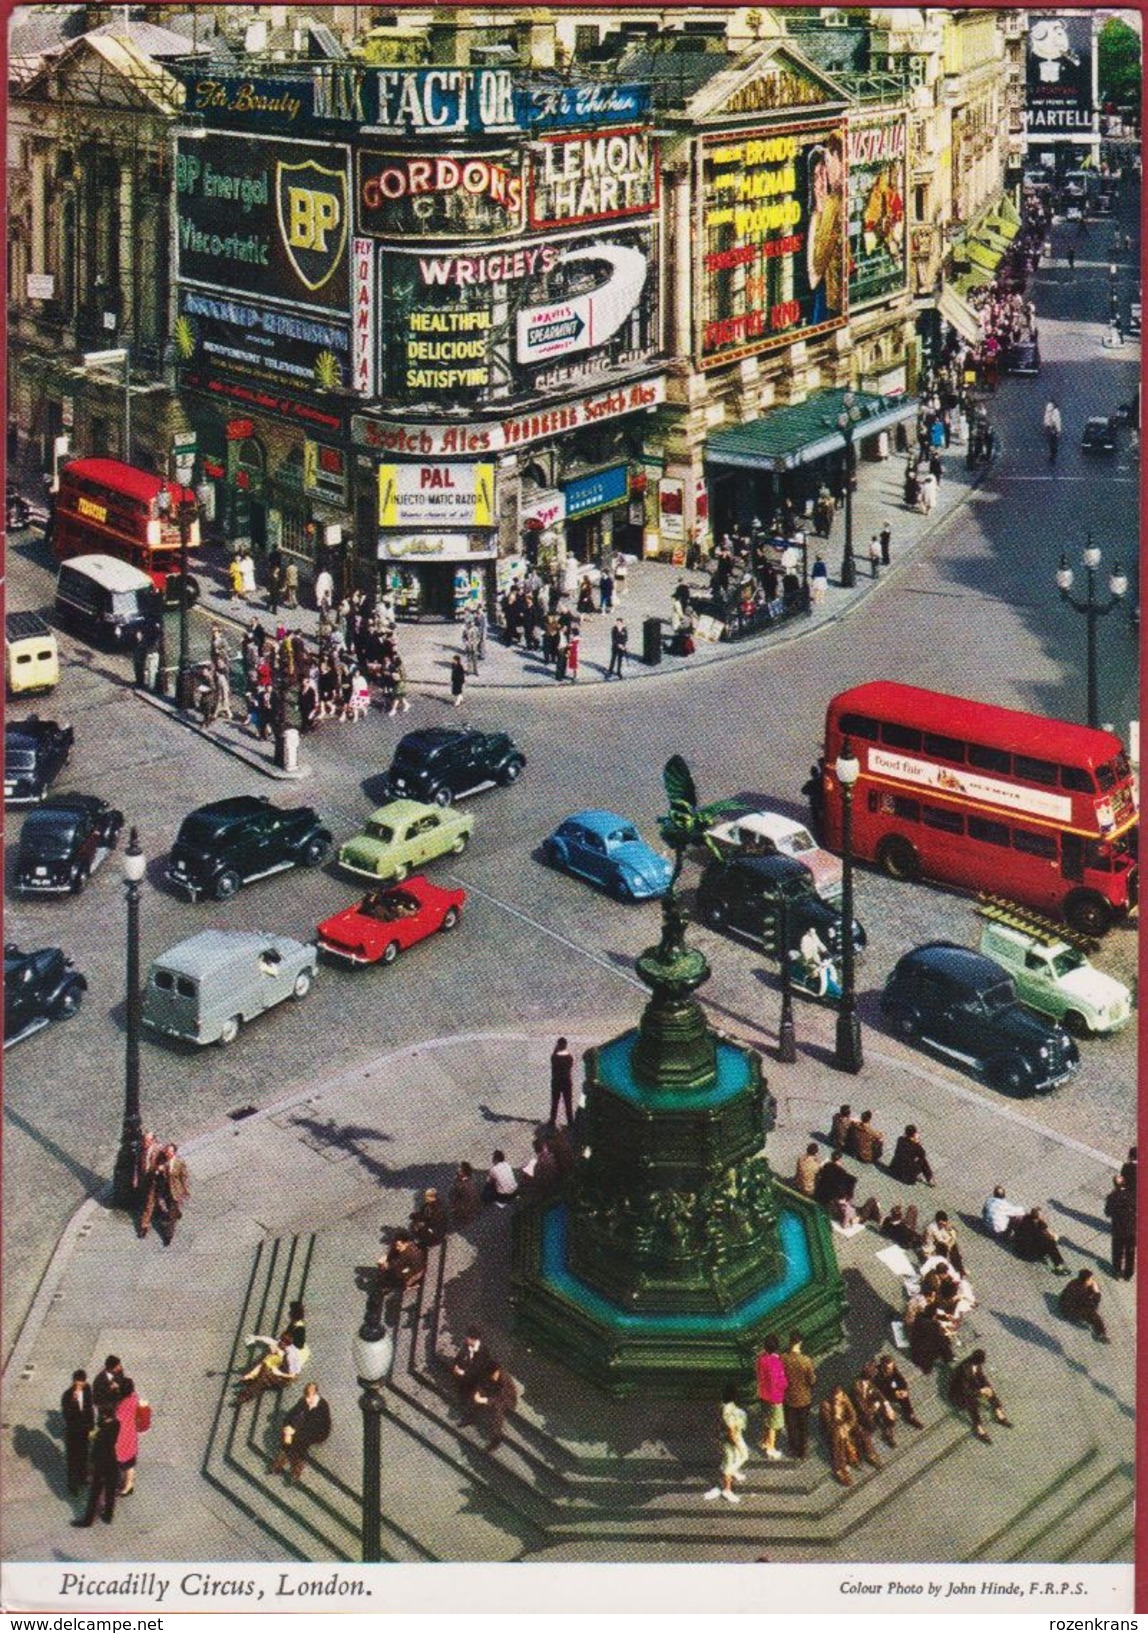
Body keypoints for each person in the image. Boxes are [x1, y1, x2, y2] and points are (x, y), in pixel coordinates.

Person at [271, 1382, 331, 1483]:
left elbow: (318, 1425)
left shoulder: (322, 1405)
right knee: (289, 1437)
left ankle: (295, 1465)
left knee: (300, 1441)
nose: (308, 1397)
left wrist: (296, 1431)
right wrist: (287, 1427)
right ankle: (284, 1460)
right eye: (307, 1394)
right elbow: (290, 1415)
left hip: (317, 1431)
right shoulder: (303, 1401)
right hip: (302, 1429)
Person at [948, 1349, 1012, 1442]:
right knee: (971, 1402)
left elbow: (981, 1377)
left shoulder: (975, 1364)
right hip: (959, 1393)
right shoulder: (964, 1370)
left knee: (988, 1389)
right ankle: (978, 1426)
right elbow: (964, 1390)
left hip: (970, 1385)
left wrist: (987, 1387)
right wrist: (980, 1391)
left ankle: (998, 1411)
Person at [73, 1408, 120, 1527]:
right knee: (110, 1492)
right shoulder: (116, 1424)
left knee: (94, 1494)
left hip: (101, 1465)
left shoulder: (102, 1434)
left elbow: (96, 1450)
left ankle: (87, 1521)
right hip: (112, 1463)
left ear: (104, 1416)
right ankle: (108, 1516)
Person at [704, 1385, 749, 1503]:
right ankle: (726, 1490)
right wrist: (738, 1445)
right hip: (731, 1440)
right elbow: (732, 1431)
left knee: (736, 1458)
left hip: (727, 1438)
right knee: (734, 1460)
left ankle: (731, 1473)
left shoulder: (723, 1407)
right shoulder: (730, 1411)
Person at [235, 1330, 304, 1403]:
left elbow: (293, 1375)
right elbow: (270, 1341)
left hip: (285, 1376)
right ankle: (251, 1379)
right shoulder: (281, 1344)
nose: (281, 1342)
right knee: (267, 1360)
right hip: (277, 1367)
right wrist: (256, 1338)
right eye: (281, 1339)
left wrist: (279, 1373)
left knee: (263, 1377)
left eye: (284, 1342)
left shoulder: (291, 1355)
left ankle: (245, 1395)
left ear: (289, 1344)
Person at [819, 1384, 864, 1487]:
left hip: (844, 1426)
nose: (838, 1400)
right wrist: (836, 1415)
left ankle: (855, 1457)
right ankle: (839, 1467)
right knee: (837, 1436)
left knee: (860, 1431)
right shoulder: (825, 1405)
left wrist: (846, 1427)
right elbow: (828, 1424)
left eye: (839, 1397)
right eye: (835, 1398)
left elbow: (853, 1416)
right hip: (831, 1430)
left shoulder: (845, 1399)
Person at [781, 1332, 816, 1460]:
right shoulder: (806, 1360)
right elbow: (812, 1380)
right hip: (804, 1398)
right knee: (803, 1425)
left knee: (791, 1424)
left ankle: (794, 1448)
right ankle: (803, 1451)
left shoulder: (783, 1358)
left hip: (788, 1397)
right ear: (800, 1343)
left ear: (790, 1342)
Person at [472, 1361, 518, 1453]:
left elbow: (501, 1398)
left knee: (497, 1409)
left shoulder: (504, 1379)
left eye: (493, 1374)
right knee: (479, 1392)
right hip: (494, 1393)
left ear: (497, 1371)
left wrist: (485, 1400)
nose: (491, 1376)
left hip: (506, 1400)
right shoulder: (490, 1375)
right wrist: (477, 1392)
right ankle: (472, 1415)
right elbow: (482, 1382)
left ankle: (497, 1438)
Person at [61, 1369, 94, 1494]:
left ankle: (82, 1477)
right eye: (78, 1383)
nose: (80, 1386)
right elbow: (67, 1415)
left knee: (84, 1455)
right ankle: (72, 1484)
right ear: (74, 1381)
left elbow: (89, 1407)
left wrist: (91, 1425)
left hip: (85, 1429)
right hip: (73, 1432)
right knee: (73, 1459)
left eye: (82, 1383)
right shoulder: (67, 1395)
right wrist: (74, 1402)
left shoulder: (87, 1389)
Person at [149, 1143, 190, 1246]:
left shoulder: (179, 1163)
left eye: (170, 1152)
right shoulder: (162, 1162)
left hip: (175, 1191)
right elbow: (154, 1171)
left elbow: (183, 1177)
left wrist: (185, 1190)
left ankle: (168, 1236)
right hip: (165, 1190)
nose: (167, 1154)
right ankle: (177, 1212)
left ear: (174, 1153)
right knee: (169, 1206)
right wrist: (158, 1171)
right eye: (166, 1151)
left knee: (170, 1217)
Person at [851, 1361, 897, 1451]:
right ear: (867, 1373)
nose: (875, 1372)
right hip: (862, 1412)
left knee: (888, 1412)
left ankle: (888, 1432)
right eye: (873, 1371)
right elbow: (861, 1408)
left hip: (870, 1406)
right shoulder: (857, 1387)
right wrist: (874, 1408)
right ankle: (865, 1443)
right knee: (871, 1426)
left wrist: (886, 1404)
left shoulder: (869, 1382)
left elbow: (877, 1392)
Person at [755, 1333, 787, 1460]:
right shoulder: (776, 1362)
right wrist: (785, 1384)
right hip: (775, 1397)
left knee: (766, 1419)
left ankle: (764, 1441)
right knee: (774, 1424)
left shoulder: (761, 1358)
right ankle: (771, 1448)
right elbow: (780, 1381)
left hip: (763, 1393)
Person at [1010, 1206, 1069, 1272]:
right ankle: (1058, 1265)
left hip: (1019, 1249)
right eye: (1042, 1215)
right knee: (1051, 1244)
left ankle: (1058, 1262)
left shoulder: (1025, 1219)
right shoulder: (1038, 1231)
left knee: (1048, 1241)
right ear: (1039, 1217)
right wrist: (1053, 1238)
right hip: (1029, 1254)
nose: (1044, 1216)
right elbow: (1047, 1234)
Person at [453, 1330, 496, 1416]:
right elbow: (459, 1357)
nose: (466, 1339)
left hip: (479, 1376)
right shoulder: (466, 1345)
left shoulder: (483, 1351)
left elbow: (479, 1369)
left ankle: (468, 1408)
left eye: (468, 1338)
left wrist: (464, 1373)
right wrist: (456, 1365)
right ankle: (462, 1395)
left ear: (474, 1340)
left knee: (474, 1393)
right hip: (469, 1371)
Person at [874, 1355, 924, 1428]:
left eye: (891, 1367)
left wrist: (904, 1390)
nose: (890, 1370)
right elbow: (879, 1389)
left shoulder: (893, 1370)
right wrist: (894, 1394)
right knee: (886, 1408)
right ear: (882, 1366)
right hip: (882, 1393)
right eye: (887, 1368)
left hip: (892, 1389)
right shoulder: (876, 1374)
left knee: (904, 1397)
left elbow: (901, 1380)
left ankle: (910, 1415)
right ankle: (888, 1427)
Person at [1059, 1268, 1109, 1341]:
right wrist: (1097, 1292)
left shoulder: (1075, 1282)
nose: (1092, 1280)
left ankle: (1100, 1331)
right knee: (1093, 1315)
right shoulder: (1080, 1291)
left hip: (1067, 1303)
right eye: (1090, 1279)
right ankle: (1101, 1334)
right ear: (1086, 1280)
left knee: (1090, 1309)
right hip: (1070, 1309)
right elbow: (1093, 1304)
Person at [1104, 1173, 1135, 1280]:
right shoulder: (1132, 1195)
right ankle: (1128, 1274)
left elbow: (1107, 1213)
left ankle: (1116, 1272)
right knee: (1130, 1253)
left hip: (1118, 1229)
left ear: (1114, 1185)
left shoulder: (1112, 1197)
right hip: (1131, 1229)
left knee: (1117, 1252)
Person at [114, 1376, 140, 1496]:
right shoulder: (134, 1398)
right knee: (129, 1464)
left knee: (118, 1463)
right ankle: (129, 1485)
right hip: (131, 1435)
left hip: (120, 1438)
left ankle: (118, 1484)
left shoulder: (118, 1407)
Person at [921, 1211, 965, 1277]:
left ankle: (959, 1268)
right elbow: (943, 1243)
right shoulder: (933, 1228)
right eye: (943, 1224)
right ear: (939, 1222)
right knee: (950, 1247)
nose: (945, 1225)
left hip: (938, 1246)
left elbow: (947, 1237)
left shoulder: (941, 1226)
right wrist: (952, 1236)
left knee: (953, 1247)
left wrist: (950, 1232)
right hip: (931, 1250)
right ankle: (958, 1269)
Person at [549, 1037, 576, 1128]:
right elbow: (570, 1064)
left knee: (555, 1102)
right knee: (567, 1102)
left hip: (557, 1081)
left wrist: (556, 1050)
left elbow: (554, 1061)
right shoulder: (568, 1056)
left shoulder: (555, 1056)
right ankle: (570, 1121)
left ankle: (553, 1120)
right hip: (566, 1081)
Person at [449, 1161, 482, 1231]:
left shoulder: (460, 1185)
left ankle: (460, 1218)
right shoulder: (471, 1180)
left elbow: (453, 1195)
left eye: (460, 1169)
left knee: (453, 1197)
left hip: (465, 1208)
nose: (457, 1170)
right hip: (473, 1205)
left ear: (463, 1173)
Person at [1043, 399, 1061, 463]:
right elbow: (1056, 422)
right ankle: (1053, 456)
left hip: (1048, 426)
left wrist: (1046, 423)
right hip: (1053, 429)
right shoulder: (1056, 412)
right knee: (1054, 443)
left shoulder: (1048, 408)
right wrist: (1058, 430)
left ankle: (1051, 455)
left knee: (1051, 442)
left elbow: (1046, 417)